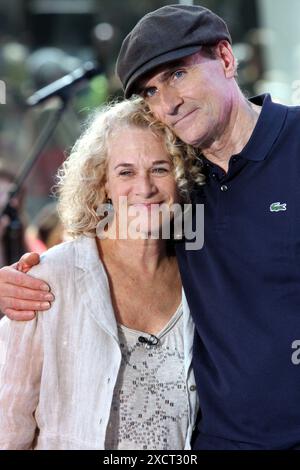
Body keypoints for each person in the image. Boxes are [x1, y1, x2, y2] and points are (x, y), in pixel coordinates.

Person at [1, 4, 300, 450]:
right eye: (150, 92)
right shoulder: (184, 180)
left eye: (178, 74)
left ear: (225, 57)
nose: (169, 103)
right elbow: (111, 223)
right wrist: (16, 282)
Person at [0, 98, 202, 450]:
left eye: (160, 168)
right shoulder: (48, 280)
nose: (145, 188)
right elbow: (7, 426)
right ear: (102, 183)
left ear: (181, 176)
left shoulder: (202, 278)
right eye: (126, 172)